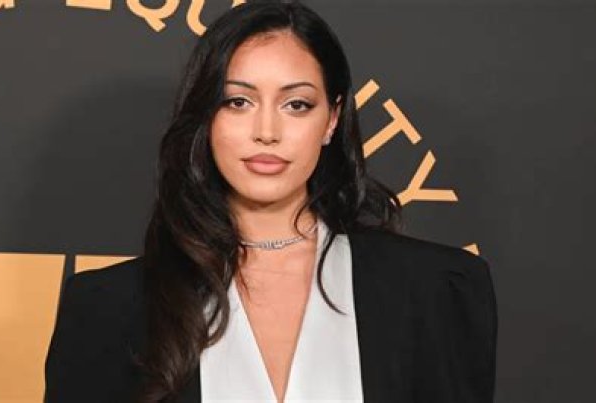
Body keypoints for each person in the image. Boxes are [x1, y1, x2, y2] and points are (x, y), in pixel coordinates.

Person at [44, 1, 498, 402]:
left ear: (332, 119)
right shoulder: (110, 308)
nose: (267, 131)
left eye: (296, 104)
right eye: (238, 102)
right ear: (206, 116)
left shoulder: (437, 291)